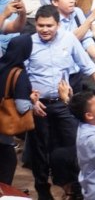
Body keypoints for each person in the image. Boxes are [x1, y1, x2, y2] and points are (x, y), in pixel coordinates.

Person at [27, 5, 95, 199]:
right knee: (40, 149)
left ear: (58, 24)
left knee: (74, 143)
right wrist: (30, 96)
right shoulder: (28, 43)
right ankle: (43, 190)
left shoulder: (69, 39)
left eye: (49, 25)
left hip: (63, 103)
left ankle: (74, 187)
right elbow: (20, 73)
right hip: (38, 105)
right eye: (40, 25)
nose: (45, 29)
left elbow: (86, 65)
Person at [49, 0, 95, 94]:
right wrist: (90, 19)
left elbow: (86, 39)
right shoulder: (51, 21)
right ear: (55, 2)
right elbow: (69, 41)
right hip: (60, 75)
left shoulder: (77, 12)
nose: (72, 0)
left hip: (77, 71)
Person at [0, 35, 34, 185]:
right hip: (3, 133)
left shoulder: (2, 64)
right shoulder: (18, 73)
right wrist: (33, 101)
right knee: (7, 165)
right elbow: (22, 107)